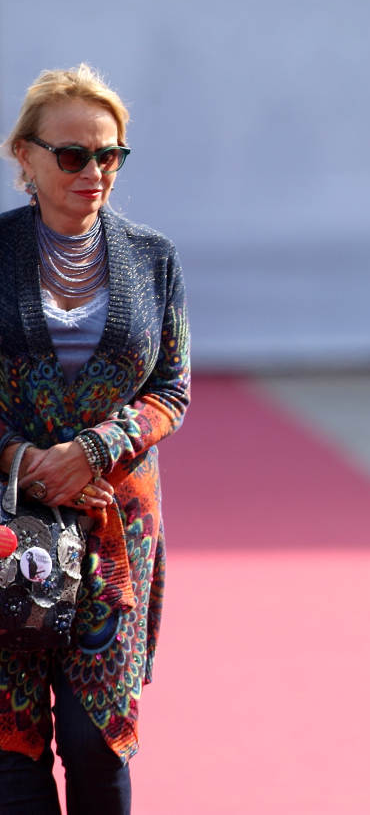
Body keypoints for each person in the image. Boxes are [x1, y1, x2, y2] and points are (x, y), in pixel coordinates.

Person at [0, 64, 190, 813]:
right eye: (73, 155)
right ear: (25, 156)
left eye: (109, 155)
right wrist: (25, 460)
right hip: (10, 525)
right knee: (12, 741)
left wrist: (93, 452)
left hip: (116, 530)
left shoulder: (153, 258)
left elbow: (170, 388)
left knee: (96, 737)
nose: (94, 171)